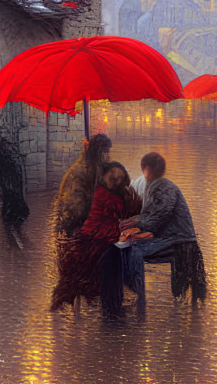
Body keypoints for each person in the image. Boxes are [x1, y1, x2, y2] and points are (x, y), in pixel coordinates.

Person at [99, 152, 205, 314]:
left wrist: (135, 227)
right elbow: (148, 215)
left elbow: (159, 217)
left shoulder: (164, 187)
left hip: (178, 239)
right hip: (166, 236)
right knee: (121, 248)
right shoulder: (152, 185)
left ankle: (138, 299)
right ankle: (122, 298)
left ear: (146, 169)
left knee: (133, 251)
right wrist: (127, 225)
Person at [52, 161, 142, 312]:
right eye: (112, 175)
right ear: (104, 175)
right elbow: (110, 219)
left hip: (106, 237)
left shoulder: (118, 194)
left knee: (123, 255)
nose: (115, 179)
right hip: (95, 237)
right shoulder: (102, 193)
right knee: (114, 257)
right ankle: (114, 306)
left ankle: (115, 304)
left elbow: (132, 211)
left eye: (119, 177)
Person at [54, 133, 111, 236]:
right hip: (74, 229)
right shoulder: (80, 172)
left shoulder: (95, 168)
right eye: (106, 152)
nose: (108, 156)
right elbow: (74, 209)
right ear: (99, 152)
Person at [0, 125, 30, 236]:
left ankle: (13, 217)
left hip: (10, 171)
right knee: (8, 194)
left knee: (11, 193)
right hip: (6, 172)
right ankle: (10, 218)